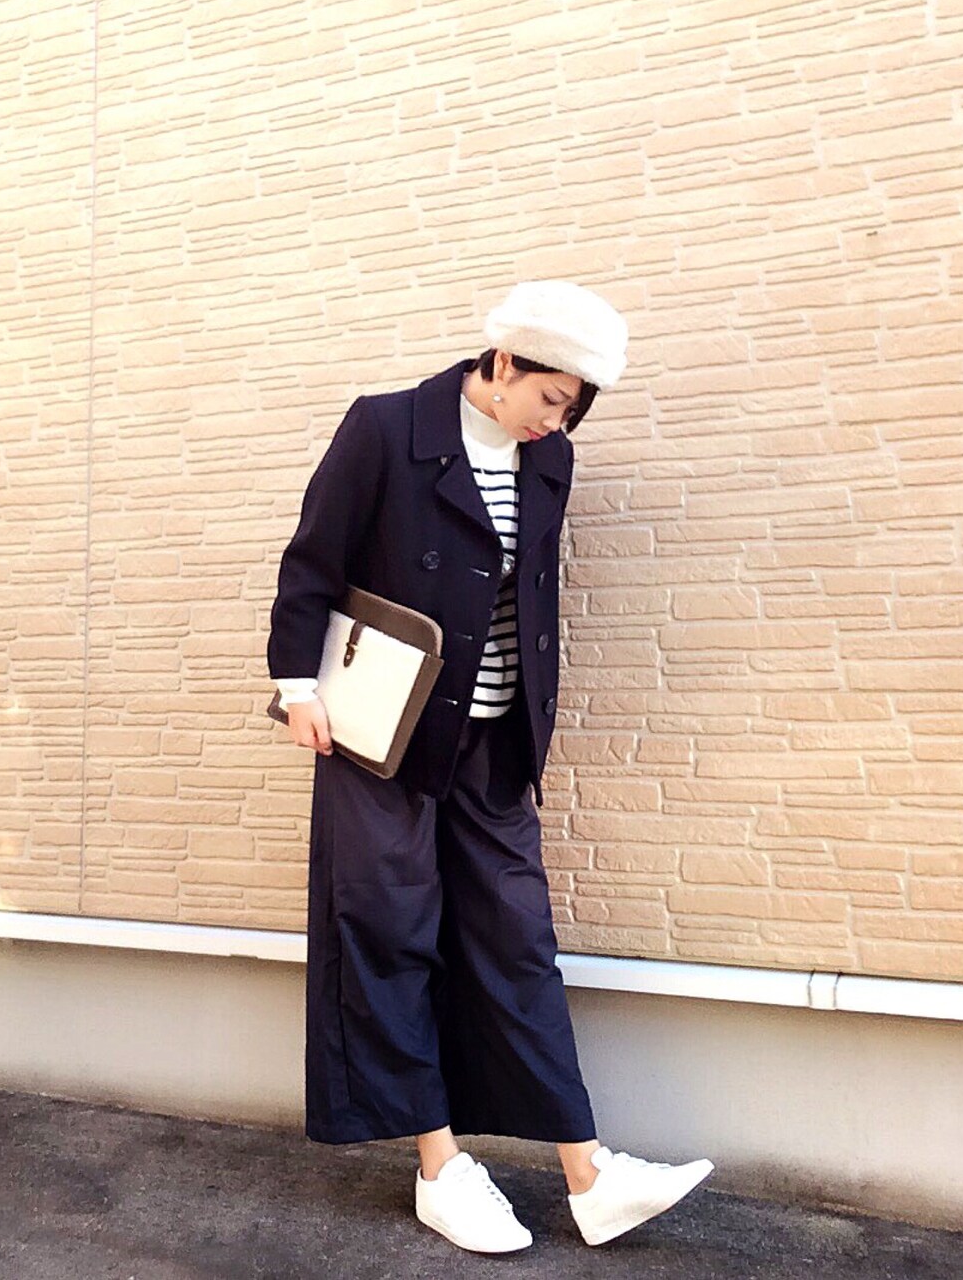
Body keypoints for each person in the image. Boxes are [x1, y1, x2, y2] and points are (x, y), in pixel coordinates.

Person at [266, 279, 714, 1252]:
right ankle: (441, 1167)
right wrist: (298, 686)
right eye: (549, 398)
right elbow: (312, 562)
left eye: (572, 409)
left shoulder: (549, 460)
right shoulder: (385, 429)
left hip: (496, 738)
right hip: (385, 733)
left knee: (517, 939)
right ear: (503, 363)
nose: (556, 423)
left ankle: (590, 1174)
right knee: (389, 931)